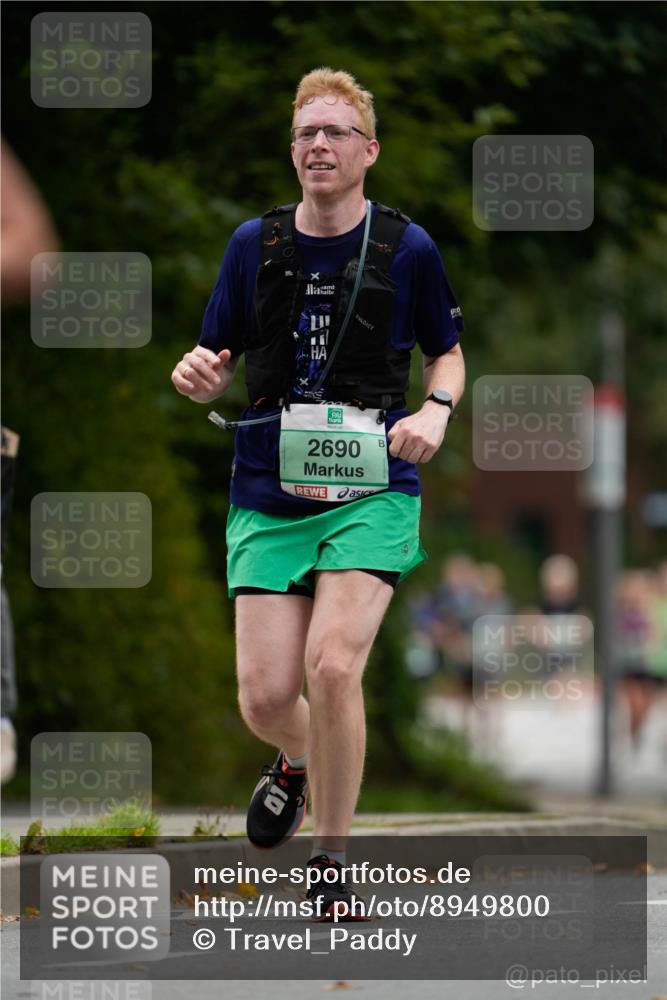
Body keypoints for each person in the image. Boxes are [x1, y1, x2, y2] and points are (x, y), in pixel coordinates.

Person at [171, 67, 465, 920]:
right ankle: (299, 758)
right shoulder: (252, 245)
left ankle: (330, 863)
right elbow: (212, 357)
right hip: (268, 488)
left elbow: (445, 353)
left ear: (368, 151)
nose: (319, 145)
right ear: (291, 150)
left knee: (332, 666)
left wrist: (436, 411)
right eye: (306, 133)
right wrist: (198, 376)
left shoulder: (407, 247)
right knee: (265, 698)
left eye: (335, 132)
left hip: (373, 485)